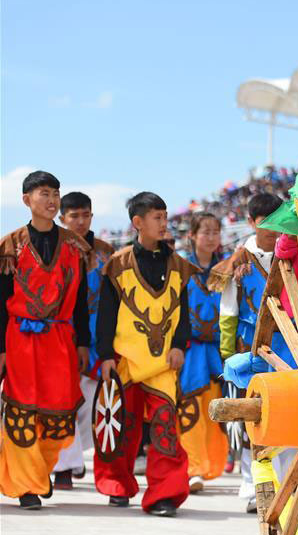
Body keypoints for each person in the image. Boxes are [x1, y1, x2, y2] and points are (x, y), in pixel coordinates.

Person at [95, 192, 197, 517]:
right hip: (125, 359)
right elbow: (106, 314)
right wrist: (105, 355)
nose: (164, 223)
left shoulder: (179, 266)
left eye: (165, 216)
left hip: (163, 362)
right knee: (122, 429)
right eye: (157, 217)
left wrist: (179, 345)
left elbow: (183, 312)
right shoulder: (118, 264)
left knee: (165, 427)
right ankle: (117, 484)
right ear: (138, 222)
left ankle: (164, 495)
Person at [0, 171, 90, 510]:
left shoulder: (75, 247)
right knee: (22, 412)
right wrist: (0, 349)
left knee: (59, 417)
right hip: (20, 339)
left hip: (60, 338)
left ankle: (38, 472)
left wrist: (83, 342)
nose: (51, 200)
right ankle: (27, 486)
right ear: (27, 200)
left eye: (55, 193)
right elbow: (0, 301)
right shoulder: (9, 246)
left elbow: (81, 301)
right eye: (44, 193)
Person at [210, 192, 297, 513]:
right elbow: (228, 312)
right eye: (265, 222)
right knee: (252, 419)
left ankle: (287, 485)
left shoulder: (294, 253)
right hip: (251, 348)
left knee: (289, 416)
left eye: (278, 221)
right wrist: (227, 354)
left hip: (289, 348)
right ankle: (252, 488)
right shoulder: (237, 261)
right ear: (251, 222)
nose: (273, 229)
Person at [52, 192, 115, 490]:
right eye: (74, 216)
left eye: (85, 215)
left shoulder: (107, 253)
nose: (80, 221)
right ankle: (65, 467)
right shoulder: (53, 248)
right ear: (62, 218)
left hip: (98, 336)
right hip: (62, 335)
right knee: (63, 400)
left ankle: (75, 457)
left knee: (91, 402)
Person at [178, 212, 229, 493]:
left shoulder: (228, 268)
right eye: (205, 232)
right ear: (193, 235)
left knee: (214, 409)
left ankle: (211, 464)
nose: (211, 237)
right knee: (190, 408)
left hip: (219, 350)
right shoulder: (181, 268)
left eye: (215, 232)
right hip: (190, 350)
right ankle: (193, 468)